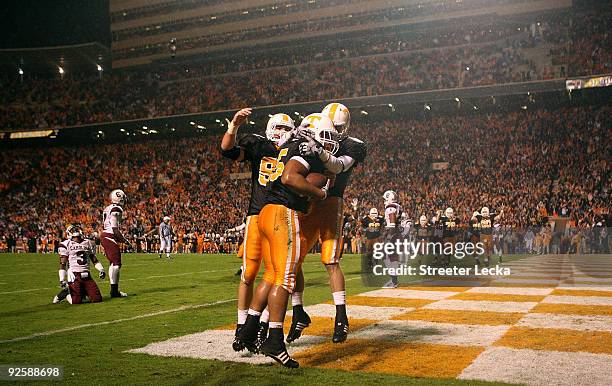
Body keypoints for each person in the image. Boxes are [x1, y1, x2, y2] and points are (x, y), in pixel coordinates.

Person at [237, 114, 337, 368]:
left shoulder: (290, 146)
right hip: (283, 213)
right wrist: (319, 192)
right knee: (286, 278)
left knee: (271, 275)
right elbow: (290, 178)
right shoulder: (306, 149)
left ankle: (248, 329)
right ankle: (274, 339)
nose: (327, 142)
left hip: (266, 212)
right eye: (325, 136)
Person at [286, 102, 367, 344]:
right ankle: (298, 311)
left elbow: (337, 166)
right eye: (334, 127)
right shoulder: (316, 131)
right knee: (294, 258)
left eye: (340, 127)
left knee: (330, 260)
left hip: (331, 203)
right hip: (308, 203)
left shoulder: (354, 145)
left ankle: (341, 316)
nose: (337, 131)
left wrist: (318, 149)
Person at [220, 107, 295, 352]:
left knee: (275, 273)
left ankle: (261, 326)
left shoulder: (296, 149)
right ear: (268, 129)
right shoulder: (258, 144)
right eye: (277, 127)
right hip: (256, 214)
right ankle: (242, 325)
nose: (280, 132)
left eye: (286, 128)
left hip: (282, 217)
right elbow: (227, 150)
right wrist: (234, 126)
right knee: (249, 273)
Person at [53, 225, 105, 304]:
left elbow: (94, 259)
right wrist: (62, 280)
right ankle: (66, 293)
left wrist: (101, 269)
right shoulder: (66, 244)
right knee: (76, 301)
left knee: (97, 299)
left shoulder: (88, 242)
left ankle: (82, 291)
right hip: (74, 275)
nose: (76, 236)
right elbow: (63, 263)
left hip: (87, 275)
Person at [101, 189, 133, 298]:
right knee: (116, 264)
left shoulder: (107, 208)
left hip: (105, 235)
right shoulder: (116, 209)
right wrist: (125, 241)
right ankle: (114, 291)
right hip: (110, 236)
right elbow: (114, 229)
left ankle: (113, 290)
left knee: (112, 263)